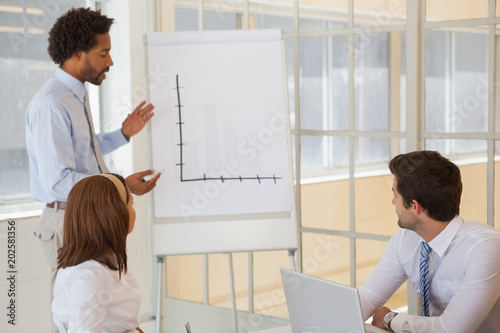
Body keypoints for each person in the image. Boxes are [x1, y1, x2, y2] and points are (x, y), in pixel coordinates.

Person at [24, 7, 161, 330]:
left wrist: (124, 134)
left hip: (83, 215)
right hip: (67, 219)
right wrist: (119, 187)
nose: (110, 62)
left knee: (101, 309)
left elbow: (83, 151)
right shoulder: (52, 104)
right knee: (77, 319)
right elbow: (58, 180)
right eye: (104, 54)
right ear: (76, 54)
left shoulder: (74, 95)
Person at [359, 150, 500, 333]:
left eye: (396, 195)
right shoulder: (405, 240)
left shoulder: (485, 248)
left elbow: (450, 330)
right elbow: (369, 297)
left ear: (415, 206)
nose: (393, 202)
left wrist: (390, 319)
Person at [52, 173, 143, 333]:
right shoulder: (89, 275)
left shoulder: (105, 261)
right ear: (115, 214)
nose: (134, 212)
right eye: (132, 204)